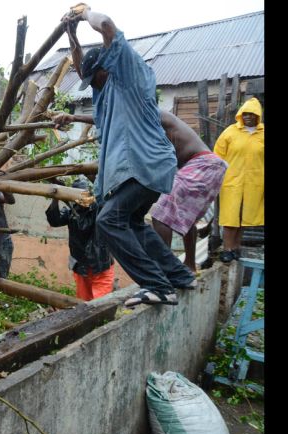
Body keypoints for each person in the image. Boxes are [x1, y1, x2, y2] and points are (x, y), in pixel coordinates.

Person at [56, 3, 195, 308]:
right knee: (132, 223)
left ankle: (157, 285)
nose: (92, 84)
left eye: (94, 78)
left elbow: (105, 24)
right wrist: (72, 34)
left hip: (146, 162)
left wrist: (83, 14)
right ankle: (179, 276)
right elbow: (83, 69)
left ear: (106, 67)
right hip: (143, 167)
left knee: (108, 221)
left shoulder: (129, 72)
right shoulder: (107, 92)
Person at [54, 109, 228, 273]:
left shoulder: (152, 114)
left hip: (202, 164)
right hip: (212, 166)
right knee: (185, 218)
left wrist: (75, 117)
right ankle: (189, 265)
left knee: (161, 215)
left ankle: (165, 271)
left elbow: (112, 119)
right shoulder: (149, 126)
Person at [45, 176, 114, 300]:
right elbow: (54, 221)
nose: (83, 198)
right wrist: (56, 197)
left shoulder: (98, 208)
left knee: (101, 304)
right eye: (78, 195)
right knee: (84, 303)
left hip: (100, 265)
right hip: (81, 266)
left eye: (85, 193)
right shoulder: (71, 211)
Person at [213, 97, 264, 263]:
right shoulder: (230, 132)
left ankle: (236, 247)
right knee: (230, 215)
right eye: (245, 113)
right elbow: (217, 156)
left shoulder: (262, 134)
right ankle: (227, 248)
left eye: (252, 114)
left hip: (255, 181)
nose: (248, 116)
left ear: (258, 115)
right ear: (241, 114)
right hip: (231, 180)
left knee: (244, 216)